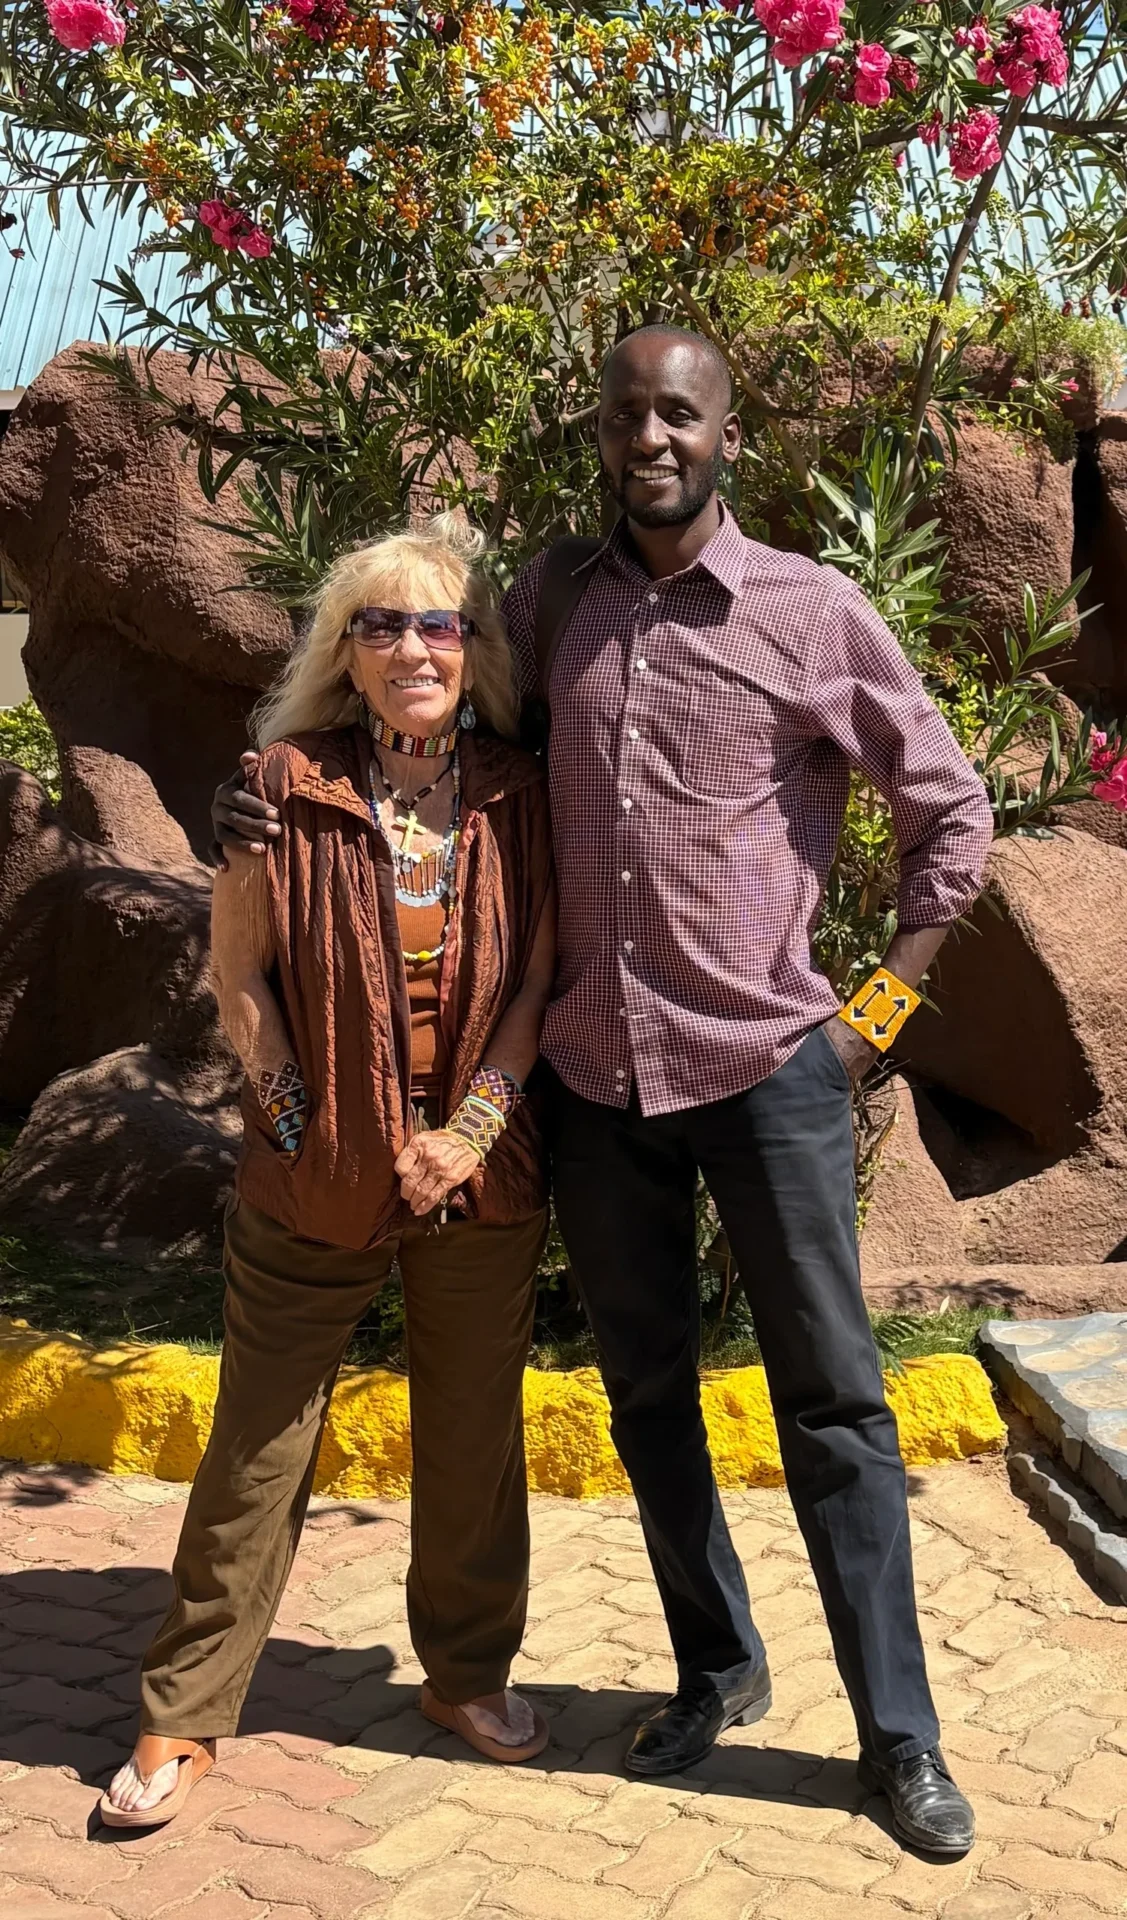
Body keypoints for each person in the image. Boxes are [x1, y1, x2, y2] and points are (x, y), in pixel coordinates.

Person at [211, 327, 996, 1857]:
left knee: (833, 1402)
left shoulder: (809, 611)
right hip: (590, 1079)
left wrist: (866, 1028)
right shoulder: (548, 605)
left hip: (768, 1073)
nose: (651, 438)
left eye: (679, 414)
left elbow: (947, 819)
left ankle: (898, 1737)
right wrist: (267, 784)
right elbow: (420, 714)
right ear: (599, 432)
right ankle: (715, 1667)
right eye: (626, 413)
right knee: (646, 1395)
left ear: (724, 435)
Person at [100, 515, 557, 1830]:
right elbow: (238, 973)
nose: (415, 648)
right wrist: (297, 1119)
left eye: (440, 624)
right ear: (344, 654)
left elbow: (536, 980)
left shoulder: (523, 793)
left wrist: (469, 1132)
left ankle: (465, 1677)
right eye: (382, 625)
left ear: (473, 650)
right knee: (257, 1443)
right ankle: (185, 1709)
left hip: (480, 1172)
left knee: (472, 1442)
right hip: (312, 1174)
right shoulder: (282, 786)